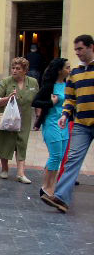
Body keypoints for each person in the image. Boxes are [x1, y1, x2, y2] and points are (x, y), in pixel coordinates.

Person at [43, 34, 94, 213]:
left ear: (91, 47)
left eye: (80, 49)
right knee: (72, 159)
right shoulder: (75, 74)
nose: (77, 53)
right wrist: (65, 114)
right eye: (76, 50)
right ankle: (62, 198)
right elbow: (70, 98)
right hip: (81, 123)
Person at [0, 57, 39, 184]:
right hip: (7, 118)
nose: (14, 71)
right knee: (5, 142)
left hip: (24, 119)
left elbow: (37, 101)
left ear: (25, 70)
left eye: (18, 68)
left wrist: (39, 117)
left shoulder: (33, 83)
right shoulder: (6, 82)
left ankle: (21, 173)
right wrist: (8, 98)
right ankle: (4, 168)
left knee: (22, 143)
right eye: (13, 68)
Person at [32, 58, 70, 198]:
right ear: (60, 70)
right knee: (55, 155)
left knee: (60, 157)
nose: (69, 69)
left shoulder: (68, 85)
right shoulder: (49, 86)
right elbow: (35, 101)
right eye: (67, 67)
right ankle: (46, 186)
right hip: (51, 123)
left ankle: (51, 186)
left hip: (64, 125)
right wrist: (50, 102)